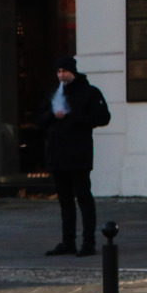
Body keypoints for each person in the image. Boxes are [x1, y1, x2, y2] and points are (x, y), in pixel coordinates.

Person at [39, 56, 110, 257]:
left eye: (65, 71)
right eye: (59, 71)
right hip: (57, 154)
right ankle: (67, 241)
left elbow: (103, 117)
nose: (62, 75)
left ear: (73, 72)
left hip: (79, 154)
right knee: (65, 202)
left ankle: (88, 242)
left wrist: (74, 117)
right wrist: (53, 115)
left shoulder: (89, 92)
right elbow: (40, 119)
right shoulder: (53, 93)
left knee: (84, 198)